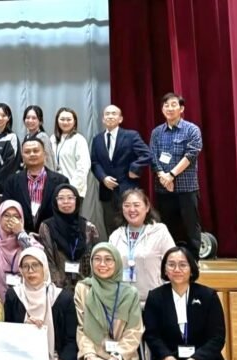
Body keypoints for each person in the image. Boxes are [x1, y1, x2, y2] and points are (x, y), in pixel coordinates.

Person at [149, 92, 204, 259]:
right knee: (166, 225)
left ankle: (194, 259)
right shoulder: (157, 132)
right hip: (164, 188)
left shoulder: (191, 129)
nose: (170, 108)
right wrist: (162, 176)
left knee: (190, 226)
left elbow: (191, 154)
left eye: (174, 105)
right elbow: (152, 156)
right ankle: (169, 259)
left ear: (181, 109)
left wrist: (171, 175)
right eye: (166, 105)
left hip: (186, 187)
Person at [90, 105, 151, 235]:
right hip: (107, 191)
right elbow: (94, 163)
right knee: (110, 226)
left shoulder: (131, 135)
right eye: (107, 114)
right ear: (103, 119)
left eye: (114, 114)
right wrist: (103, 178)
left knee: (132, 224)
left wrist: (134, 168)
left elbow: (147, 154)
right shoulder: (97, 139)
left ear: (120, 118)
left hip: (128, 188)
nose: (110, 116)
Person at [108, 188, 175, 305]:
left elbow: (173, 263)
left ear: (147, 207)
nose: (132, 209)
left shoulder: (160, 231)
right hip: (123, 303)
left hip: (155, 302)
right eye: (127, 205)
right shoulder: (116, 235)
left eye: (136, 205)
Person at [0, 137, 69, 232]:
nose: (32, 154)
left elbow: (64, 213)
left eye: (36, 151)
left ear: (45, 154)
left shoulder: (61, 181)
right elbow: (6, 211)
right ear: (22, 156)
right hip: (18, 236)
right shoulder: (12, 181)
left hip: (52, 236)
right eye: (27, 152)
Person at [0, 201, 41, 301]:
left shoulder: (30, 242)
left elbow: (37, 259)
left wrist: (21, 234)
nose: (11, 220)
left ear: (21, 219)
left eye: (16, 216)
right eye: (6, 215)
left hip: (24, 301)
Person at [38, 184, 99, 290]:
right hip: (57, 288)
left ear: (77, 201)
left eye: (70, 198)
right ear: (55, 202)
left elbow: (95, 259)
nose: (66, 202)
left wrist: (87, 285)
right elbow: (48, 260)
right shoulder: (46, 227)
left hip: (85, 286)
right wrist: (58, 288)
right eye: (61, 198)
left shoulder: (88, 227)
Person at [49, 107, 91, 199]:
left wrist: (71, 189)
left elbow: (83, 168)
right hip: (55, 190)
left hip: (73, 190)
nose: (65, 122)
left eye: (69, 120)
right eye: (62, 119)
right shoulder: (52, 139)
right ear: (57, 121)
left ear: (74, 121)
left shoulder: (79, 139)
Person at [22, 105, 55, 171]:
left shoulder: (43, 137)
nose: (30, 120)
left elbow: (48, 161)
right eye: (27, 118)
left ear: (40, 121)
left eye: (34, 118)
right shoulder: (26, 137)